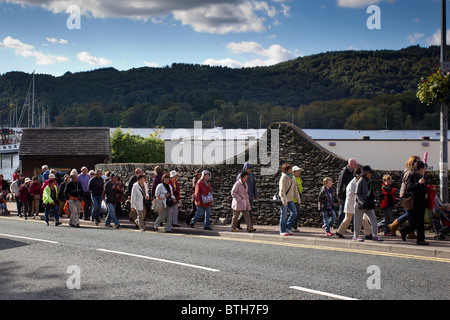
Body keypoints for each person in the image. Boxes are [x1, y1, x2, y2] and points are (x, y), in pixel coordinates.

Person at [388, 156, 421, 237]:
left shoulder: (412, 172)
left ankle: (410, 232)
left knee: (410, 215)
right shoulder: (410, 173)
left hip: (409, 196)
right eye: (418, 162)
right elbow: (409, 187)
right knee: (409, 215)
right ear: (413, 163)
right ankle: (393, 226)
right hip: (407, 197)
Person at [336, 168, 372, 238]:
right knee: (347, 219)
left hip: (357, 204)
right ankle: (339, 232)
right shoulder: (352, 184)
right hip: (351, 204)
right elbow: (350, 195)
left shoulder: (359, 182)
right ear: (356, 175)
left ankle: (369, 234)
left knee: (364, 218)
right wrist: (359, 198)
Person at [399, 161, 429, 245]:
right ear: (420, 169)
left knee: (419, 222)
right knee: (417, 222)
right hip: (414, 202)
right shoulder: (412, 175)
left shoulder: (422, 176)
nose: (425, 171)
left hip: (421, 201)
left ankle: (406, 231)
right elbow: (410, 188)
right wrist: (419, 183)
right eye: (424, 169)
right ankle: (419, 239)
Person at [354, 166, 383, 241]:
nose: (371, 174)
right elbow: (357, 194)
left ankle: (375, 235)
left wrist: (372, 200)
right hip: (360, 205)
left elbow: (370, 192)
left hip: (368, 203)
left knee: (373, 219)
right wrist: (362, 202)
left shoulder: (369, 180)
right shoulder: (360, 181)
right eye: (369, 173)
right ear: (365, 173)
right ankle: (356, 236)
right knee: (358, 221)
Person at [278, 164, 301, 236]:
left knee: (294, 213)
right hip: (284, 200)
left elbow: (295, 190)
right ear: (286, 170)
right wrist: (284, 201)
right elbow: (282, 191)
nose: (292, 170)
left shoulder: (293, 178)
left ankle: (288, 228)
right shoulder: (283, 178)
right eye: (290, 169)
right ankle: (282, 230)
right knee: (283, 215)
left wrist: (298, 200)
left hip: (290, 199)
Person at [235, 162, 258, 230]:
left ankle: (237, 223)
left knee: (246, 211)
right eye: (249, 169)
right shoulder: (240, 175)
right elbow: (238, 187)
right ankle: (250, 227)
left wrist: (255, 194)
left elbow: (254, 185)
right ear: (245, 168)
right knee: (248, 212)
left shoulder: (251, 175)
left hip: (249, 196)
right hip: (243, 197)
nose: (250, 170)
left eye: (250, 169)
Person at [336, 158, 358, 226]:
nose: (356, 165)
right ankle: (340, 228)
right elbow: (340, 184)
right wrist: (339, 196)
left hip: (351, 194)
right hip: (344, 195)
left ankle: (354, 228)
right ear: (350, 164)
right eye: (355, 164)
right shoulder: (344, 172)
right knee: (343, 212)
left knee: (354, 212)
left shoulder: (353, 172)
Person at [292, 166, 303, 232]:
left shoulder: (299, 179)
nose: (299, 172)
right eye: (297, 171)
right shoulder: (292, 179)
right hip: (293, 199)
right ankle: (291, 227)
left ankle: (294, 227)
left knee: (297, 213)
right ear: (293, 172)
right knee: (295, 213)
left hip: (297, 199)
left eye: (299, 171)